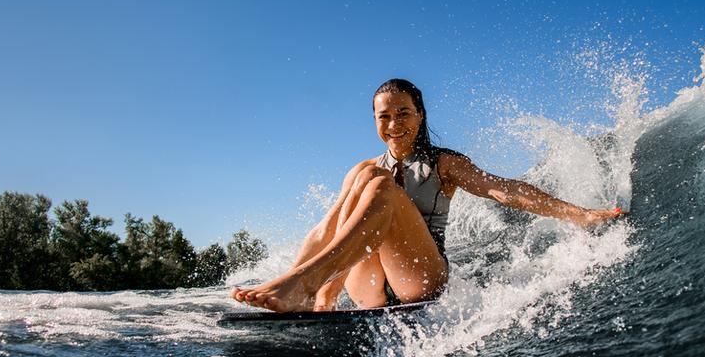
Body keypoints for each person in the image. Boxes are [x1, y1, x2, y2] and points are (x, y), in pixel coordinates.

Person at [230, 78, 625, 313]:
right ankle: (311, 292)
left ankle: (305, 285)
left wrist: (579, 214)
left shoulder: (443, 164)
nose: (394, 124)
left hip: (420, 276)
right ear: (375, 122)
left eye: (403, 113)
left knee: (380, 184)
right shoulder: (363, 168)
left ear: (419, 115)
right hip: (368, 287)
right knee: (368, 174)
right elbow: (326, 229)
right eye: (384, 116)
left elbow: (505, 191)